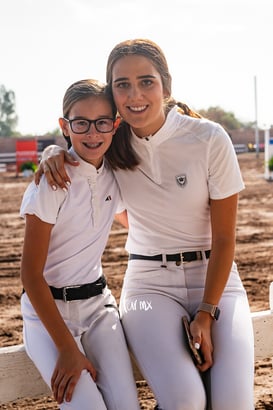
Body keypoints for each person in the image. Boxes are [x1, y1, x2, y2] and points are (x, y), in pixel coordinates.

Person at [35, 40, 254, 410]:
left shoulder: (209, 138)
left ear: (166, 87)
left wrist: (206, 312)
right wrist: (53, 151)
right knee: (185, 401)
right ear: (112, 94)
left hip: (217, 284)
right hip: (147, 292)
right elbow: (79, 144)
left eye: (146, 82)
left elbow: (224, 237)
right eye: (122, 84)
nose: (135, 94)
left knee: (233, 402)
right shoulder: (112, 140)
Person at [20, 79, 140, 410]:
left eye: (102, 122)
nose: (92, 133)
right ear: (65, 125)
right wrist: (67, 349)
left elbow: (139, 223)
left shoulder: (117, 174)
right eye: (81, 123)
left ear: (115, 124)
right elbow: (30, 276)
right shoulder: (51, 182)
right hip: (48, 313)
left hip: (99, 308)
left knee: (127, 406)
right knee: (85, 405)